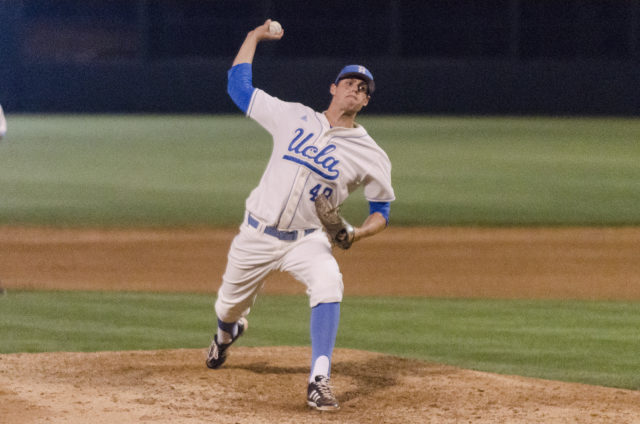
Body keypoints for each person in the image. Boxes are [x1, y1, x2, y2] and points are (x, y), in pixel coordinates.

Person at [205, 19, 395, 411]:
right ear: (333, 88)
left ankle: (319, 380)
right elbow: (238, 88)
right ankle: (226, 336)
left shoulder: (371, 154)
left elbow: (381, 211)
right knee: (227, 308)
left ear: (365, 103)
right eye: (349, 83)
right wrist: (253, 37)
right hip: (257, 234)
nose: (355, 90)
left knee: (329, 282)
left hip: (307, 239)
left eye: (363, 89)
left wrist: (357, 233)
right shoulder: (293, 116)